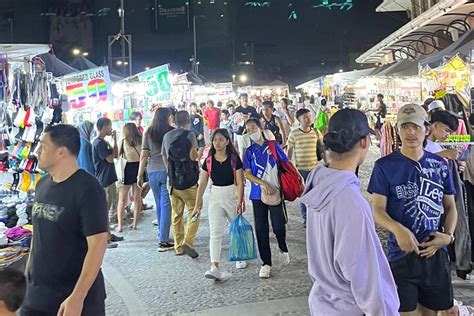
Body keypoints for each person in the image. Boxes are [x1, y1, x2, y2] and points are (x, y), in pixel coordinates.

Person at [301, 109, 399, 315]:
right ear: (364, 142)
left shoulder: (319, 184)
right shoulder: (350, 201)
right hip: (350, 307)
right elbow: (362, 273)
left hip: (324, 303)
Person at [368, 104, 458, 315]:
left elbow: (450, 206)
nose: (410, 132)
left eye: (416, 126)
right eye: (405, 126)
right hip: (401, 256)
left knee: (431, 312)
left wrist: (448, 236)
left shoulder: (439, 164)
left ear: (426, 129)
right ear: (396, 129)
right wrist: (398, 230)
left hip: (435, 254)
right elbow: (378, 210)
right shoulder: (384, 166)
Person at [21, 124, 109, 316]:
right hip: (37, 295)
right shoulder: (42, 184)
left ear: (61, 152)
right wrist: (29, 267)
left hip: (72, 298)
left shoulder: (88, 189)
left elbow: (98, 244)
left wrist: (78, 297)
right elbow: (39, 230)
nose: (37, 151)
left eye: (43, 146)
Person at [193, 129, 246, 280]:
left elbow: (240, 182)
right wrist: (197, 205)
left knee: (236, 227)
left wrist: (240, 200)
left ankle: (240, 255)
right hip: (215, 195)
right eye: (215, 140)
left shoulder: (234, 159)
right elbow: (202, 183)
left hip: (232, 194)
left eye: (221, 139)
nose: (218, 142)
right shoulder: (208, 160)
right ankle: (214, 266)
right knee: (215, 233)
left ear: (227, 141)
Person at [426, 111, 472, 280]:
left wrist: (455, 167)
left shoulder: (437, 146)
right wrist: (444, 156)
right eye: (446, 130)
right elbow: (416, 161)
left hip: (441, 199)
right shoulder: (423, 145)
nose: (447, 135)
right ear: (435, 125)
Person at [243, 118, 290, 279]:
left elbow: (286, 164)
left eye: (253, 127)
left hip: (276, 192)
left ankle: (282, 246)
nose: (251, 131)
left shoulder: (273, 146)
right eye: (248, 130)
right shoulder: (249, 151)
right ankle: (266, 263)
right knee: (261, 229)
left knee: (278, 226)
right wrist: (262, 183)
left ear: (260, 128)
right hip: (257, 195)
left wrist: (297, 180)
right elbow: (247, 174)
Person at [162, 110, 203, 258]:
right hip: (189, 181)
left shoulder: (167, 136)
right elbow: (193, 156)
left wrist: (171, 173)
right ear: (188, 121)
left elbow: (164, 157)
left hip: (173, 182)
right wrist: (198, 155)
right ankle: (188, 241)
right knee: (195, 209)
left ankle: (178, 247)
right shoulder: (190, 135)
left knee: (176, 214)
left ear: (174, 120)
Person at [137, 108, 174, 252]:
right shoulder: (171, 131)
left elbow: (144, 155)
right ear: (167, 117)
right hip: (166, 171)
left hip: (152, 171)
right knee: (166, 205)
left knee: (159, 204)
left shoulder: (148, 132)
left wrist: (140, 175)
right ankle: (163, 240)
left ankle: (161, 234)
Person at [287, 109, 322, 225]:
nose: (308, 119)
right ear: (299, 120)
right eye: (305, 117)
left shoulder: (316, 132)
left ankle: (315, 216)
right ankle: (306, 217)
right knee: (303, 193)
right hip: (300, 169)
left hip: (315, 168)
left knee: (315, 193)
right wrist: (288, 166)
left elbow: (322, 148)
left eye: (309, 116)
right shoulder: (294, 133)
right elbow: (290, 150)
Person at [92, 118, 123, 246]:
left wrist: (114, 141)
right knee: (104, 210)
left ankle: (109, 235)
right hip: (104, 180)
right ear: (104, 127)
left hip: (109, 178)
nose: (111, 129)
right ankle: (105, 238)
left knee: (107, 208)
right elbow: (110, 159)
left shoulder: (103, 142)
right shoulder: (99, 143)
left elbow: (116, 155)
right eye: (110, 126)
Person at [116, 123, 143, 232]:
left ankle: (120, 225)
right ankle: (135, 223)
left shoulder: (123, 141)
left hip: (126, 170)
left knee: (122, 199)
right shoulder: (141, 141)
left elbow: (117, 156)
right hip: (139, 169)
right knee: (137, 198)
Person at [234, 93, 258, 158]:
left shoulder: (252, 109)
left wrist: (248, 117)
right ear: (240, 100)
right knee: (242, 151)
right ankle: (243, 166)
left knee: (252, 150)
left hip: (252, 132)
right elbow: (235, 122)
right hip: (241, 133)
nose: (245, 100)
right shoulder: (237, 109)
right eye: (243, 98)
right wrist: (243, 118)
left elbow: (256, 119)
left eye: (246, 98)